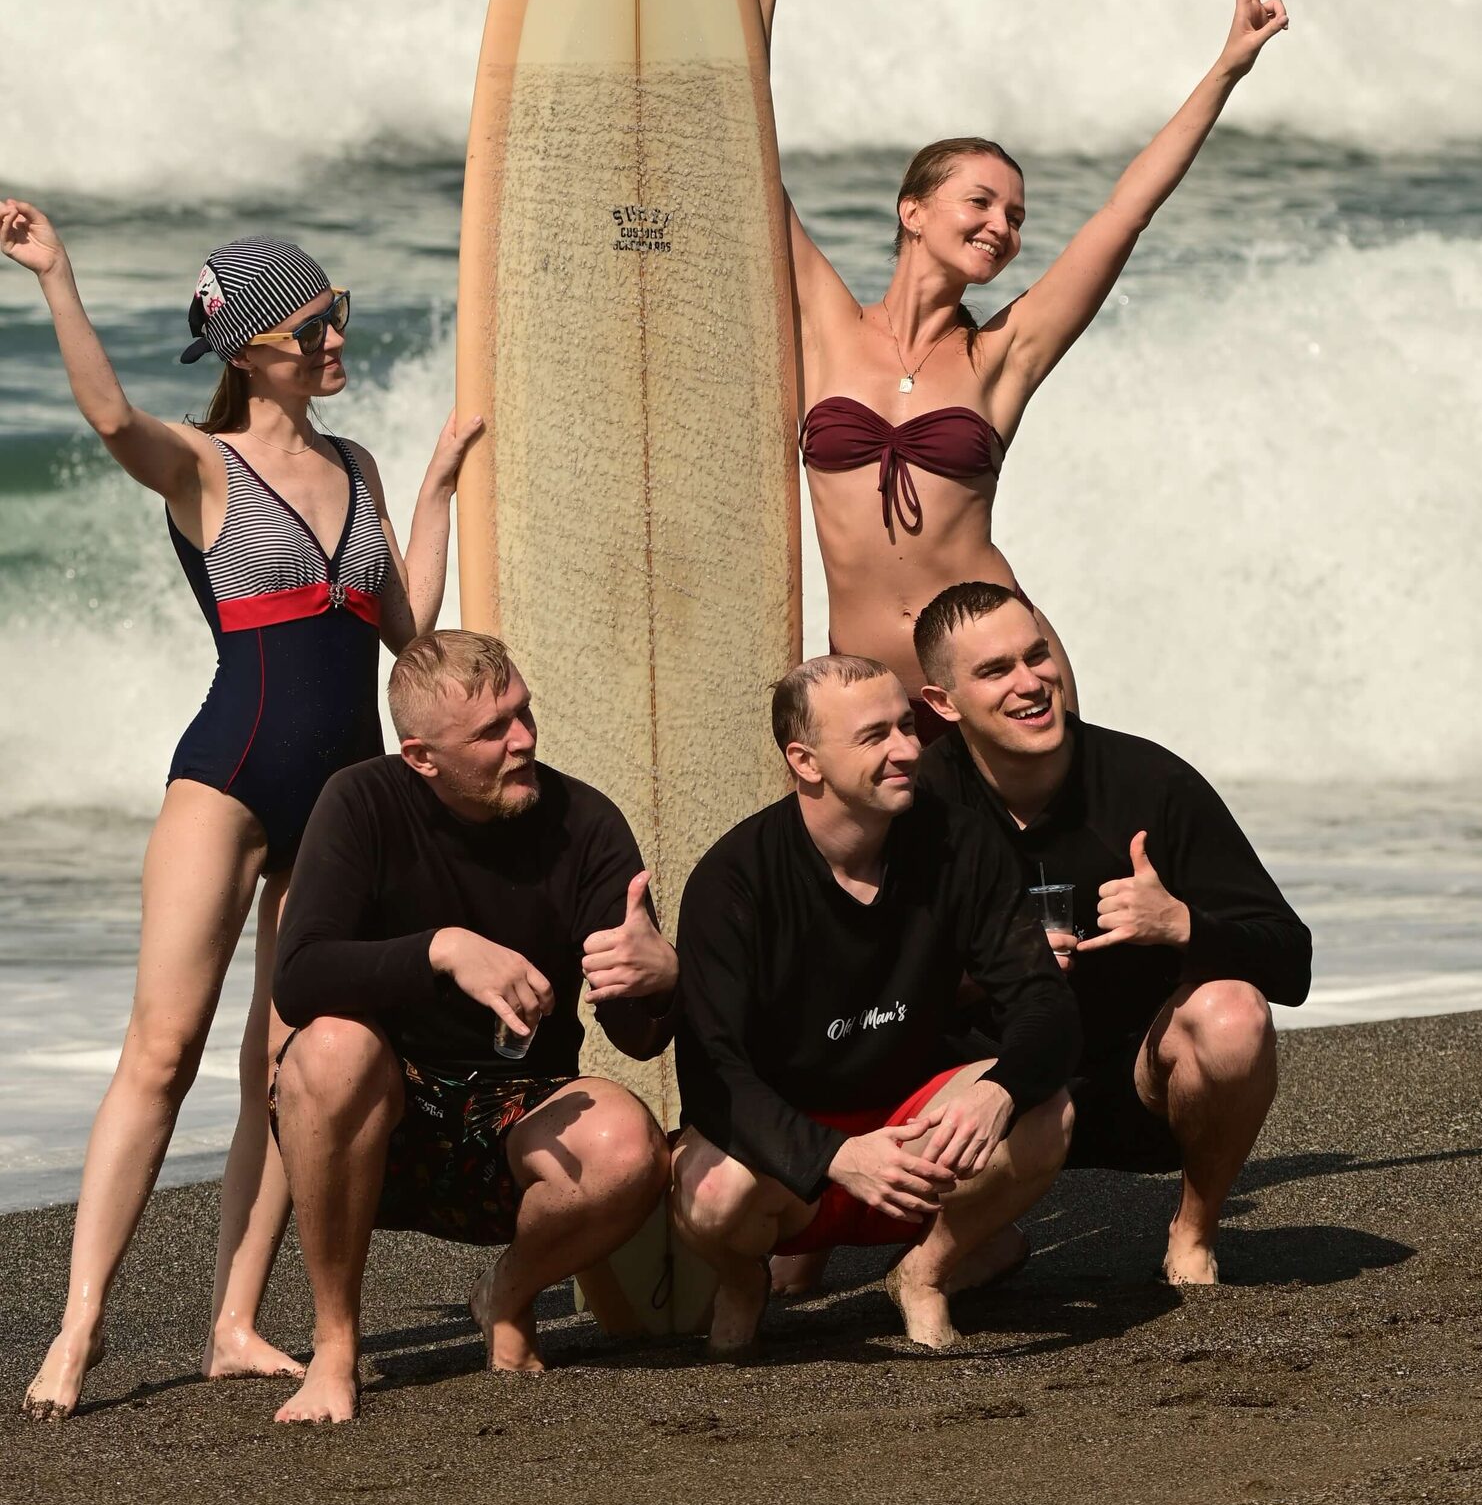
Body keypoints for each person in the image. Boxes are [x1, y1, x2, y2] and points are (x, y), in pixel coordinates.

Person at [1, 209, 477, 1418]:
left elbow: (406, 630)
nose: (336, 339)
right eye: (318, 324)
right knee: (161, 1050)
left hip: (346, 796)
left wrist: (436, 484)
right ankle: (78, 1329)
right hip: (228, 774)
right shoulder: (202, 468)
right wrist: (59, 276)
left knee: (285, 1065)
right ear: (256, 348)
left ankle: (232, 1321)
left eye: (339, 316)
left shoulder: (358, 466)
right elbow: (111, 420)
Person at [719, 0, 1288, 714]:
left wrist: (1226, 70)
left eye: (1016, 216)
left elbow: (1125, 212)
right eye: (979, 202)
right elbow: (747, 157)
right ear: (912, 211)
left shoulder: (1003, 354)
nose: (1001, 227)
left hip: (999, 680)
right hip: (867, 696)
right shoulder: (827, 328)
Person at [269, 630, 676, 1423]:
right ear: (422, 757)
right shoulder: (362, 802)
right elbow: (301, 973)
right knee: (329, 1047)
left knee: (628, 1148)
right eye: (492, 732)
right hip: (385, 1127)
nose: (522, 741)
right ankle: (336, 1347)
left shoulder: (583, 823)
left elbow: (637, 1037)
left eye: (522, 713)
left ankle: (509, 1293)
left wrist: (662, 978)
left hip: (522, 1123)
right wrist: (443, 951)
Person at [670, 651, 1078, 1355]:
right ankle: (743, 1282)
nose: (906, 751)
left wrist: (1001, 1090)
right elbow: (713, 1075)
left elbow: (1044, 1002)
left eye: (906, 728)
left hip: (910, 1129)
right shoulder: (735, 880)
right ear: (805, 761)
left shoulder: (958, 842)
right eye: (874, 737)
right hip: (785, 1157)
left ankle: (924, 1275)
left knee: (1046, 1111)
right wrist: (835, 1154)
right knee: (710, 1195)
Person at [913, 581, 1311, 1287]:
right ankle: (947, 1238)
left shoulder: (1149, 783)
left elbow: (1292, 961)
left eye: (1038, 656)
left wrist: (1181, 925)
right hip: (981, 1091)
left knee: (1232, 1016)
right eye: (995, 670)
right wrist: (986, 970)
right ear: (943, 703)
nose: (1032, 683)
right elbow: (847, 983)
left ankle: (1192, 1230)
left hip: (1135, 1087)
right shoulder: (917, 808)